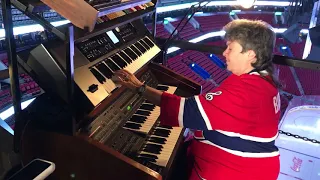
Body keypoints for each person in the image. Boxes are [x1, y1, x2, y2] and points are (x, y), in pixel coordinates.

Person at [113, 19, 281, 180]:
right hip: (249, 167)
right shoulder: (264, 81)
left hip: (232, 172)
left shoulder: (246, 90)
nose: (224, 53)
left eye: (230, 48)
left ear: (250, 54)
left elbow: (186, 110)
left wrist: (139, 88)